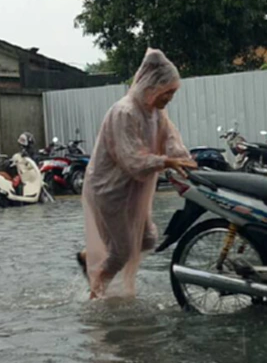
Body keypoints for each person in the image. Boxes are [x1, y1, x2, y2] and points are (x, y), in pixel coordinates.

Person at [79, 48, 197, 298]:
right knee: (122, 251)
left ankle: (89, 258)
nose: (169, 99)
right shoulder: (125, 112)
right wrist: (166, 162)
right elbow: (131, 159)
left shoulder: (155, 113)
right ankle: (96, 296)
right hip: (109, 189)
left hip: (133, 188)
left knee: (147, 239)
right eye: (168, 93)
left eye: (172, 94)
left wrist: (185, 161)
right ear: (152, 86)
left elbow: (171, 139)